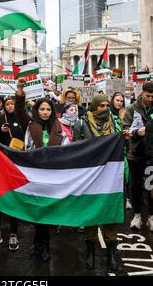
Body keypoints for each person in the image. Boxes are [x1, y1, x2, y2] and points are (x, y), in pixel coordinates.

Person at [15, 78, 62, 261]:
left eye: (48, 109)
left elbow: (66, 150)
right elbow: (19, 110)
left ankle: (45, 246)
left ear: (52, 112)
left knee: (47, 212)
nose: (44, 112)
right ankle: (38, 243)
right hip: (33, 174)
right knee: (36, 211)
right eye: (42, 109)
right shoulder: (30, 124)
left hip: (51, 176)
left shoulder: (60, 128)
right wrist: (20, 90)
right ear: (37, 110)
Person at [73, 94, 118, 271]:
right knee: (91, 213)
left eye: (107, 105)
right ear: (94, 107)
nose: (105, 108)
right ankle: (90, 251)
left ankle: (111, 253)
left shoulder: (113, 122)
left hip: (110, 176)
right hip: (90, 176)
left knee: (110, 212)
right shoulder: (82, 124)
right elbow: (76, 149)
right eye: (101, 106)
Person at [0, 97, 24, 251]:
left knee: (13, 199)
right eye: (7, 104)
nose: (10, 106)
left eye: (12, 104)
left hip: (17, 165)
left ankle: (13, 234)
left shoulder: (23, 119)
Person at [123, 82, 153, 231]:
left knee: (151, 185)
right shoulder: (131, 109)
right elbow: (124, 130)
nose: (151, 99)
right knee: (135, 186)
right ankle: (137, 215)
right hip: (135, 153)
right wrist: (136, 132)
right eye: (148, 96)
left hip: (151, 155)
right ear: (142, 93)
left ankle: (151, 217)